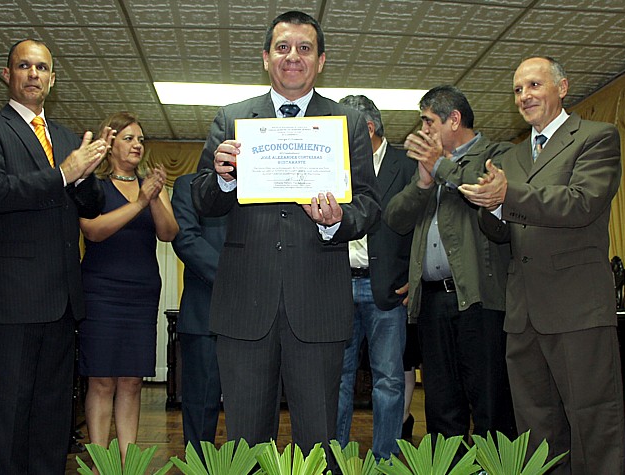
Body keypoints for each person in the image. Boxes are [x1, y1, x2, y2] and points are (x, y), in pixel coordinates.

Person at [190, 10, 380, 455]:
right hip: (244, 304)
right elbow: (203, 198)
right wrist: (221, 178)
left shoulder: (348, 123)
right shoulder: (232, 118)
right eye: (282, 47)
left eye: (304, 48)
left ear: (321, 61)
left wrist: (337, 222)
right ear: (265, 58)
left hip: (317, 303)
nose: (293, 56)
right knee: (245, 441)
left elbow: (369, 204)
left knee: (318, 441)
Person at [459, 56, 625, 474]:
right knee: (535, 429)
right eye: (517, 90)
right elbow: (501, 233)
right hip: (523, 312)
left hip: (577, 309)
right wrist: (490, 209)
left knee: (593, 423)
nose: (524, 97)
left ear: (562, 88)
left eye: (534, 85)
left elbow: (582, 203)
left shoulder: (595, 137)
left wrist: (506, 197)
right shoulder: (512, 157)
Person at [0, 38, 112, 474]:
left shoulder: (66, 136)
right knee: (6, 420)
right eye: (24, 66)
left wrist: (84, 175)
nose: (33, 75)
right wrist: (64, 172)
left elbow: (92, 205)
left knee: (51, 423)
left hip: (63, 300)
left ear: (52, 79)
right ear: (6, 75)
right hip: (14, 300)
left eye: (42, 68)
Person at [384, 85, 516, 443]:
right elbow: (395, 219)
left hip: (480, 302)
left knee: (490, 405)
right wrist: (423, 183)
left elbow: (484, 194)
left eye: (428, 122)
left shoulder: (497, 154)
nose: (423, 130)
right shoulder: (428, 170)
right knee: (442, 408)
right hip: (431, 303)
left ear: (453, 119)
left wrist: (440, 166)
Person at [78, 112, 179, 462]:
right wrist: (138, 202)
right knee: (102, 380)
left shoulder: (151, 185)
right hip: (101, 291)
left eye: (140, 139)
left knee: (132, 381)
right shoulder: (93, 185)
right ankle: (101, 461)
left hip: (141, 293)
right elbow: (93, 230)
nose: (137, 145)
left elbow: (168, 233)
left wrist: (153, 196)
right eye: (128, 139)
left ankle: (128, 462)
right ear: (110, 146)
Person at [333, 95, 414, 461]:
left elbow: (425, 223)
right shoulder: (333, 165)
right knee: (337, 382)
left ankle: (385, 463)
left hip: (388, 290)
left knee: (389, 382)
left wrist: (418, 274)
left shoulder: (408, 166)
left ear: (365, 129)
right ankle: (332, 462)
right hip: (336, 288)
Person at [171, 172, 227, 452]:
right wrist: (235, 277)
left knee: (255, 406)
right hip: (204, 310)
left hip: (259, 315)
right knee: (200, 405)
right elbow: (186, 240)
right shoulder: (188, 185)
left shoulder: (262, 185)